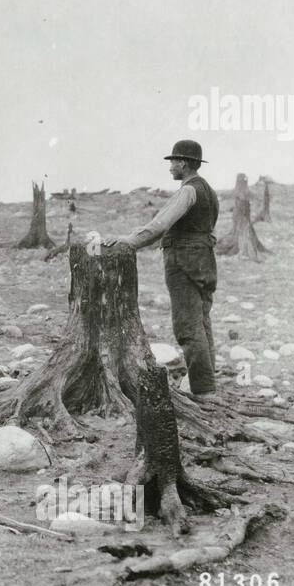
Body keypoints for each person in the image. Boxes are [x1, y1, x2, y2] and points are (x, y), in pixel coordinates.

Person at [103, 140, 219, 399]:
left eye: (173, 162)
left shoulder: (188, 191)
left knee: (188, 326)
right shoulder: (208, 191)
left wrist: (129, 242)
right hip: (204, 261)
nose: (170, 168)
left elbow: (159, 225)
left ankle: (204, 392)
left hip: (183, 262)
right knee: (202, 322)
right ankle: (208, 386)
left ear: (184, 163)